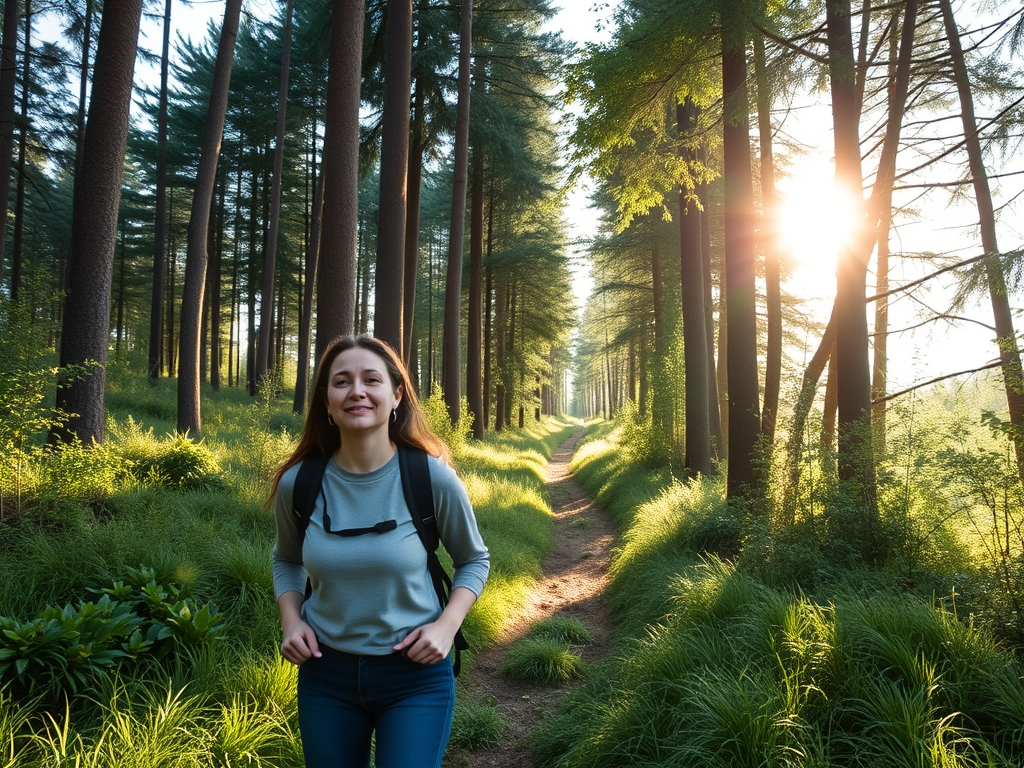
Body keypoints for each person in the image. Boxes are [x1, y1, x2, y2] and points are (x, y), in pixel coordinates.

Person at [269, 334, 489, 768]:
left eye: (371, 379)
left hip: (415, 676)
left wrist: (446, 627)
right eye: (341, 382)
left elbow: (473, 560)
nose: (357, 391)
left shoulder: (431, 478)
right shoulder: (300, 483)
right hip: (325, 675)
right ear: (326, 401)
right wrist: (291, 621)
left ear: (396, 395)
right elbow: (287, 559)